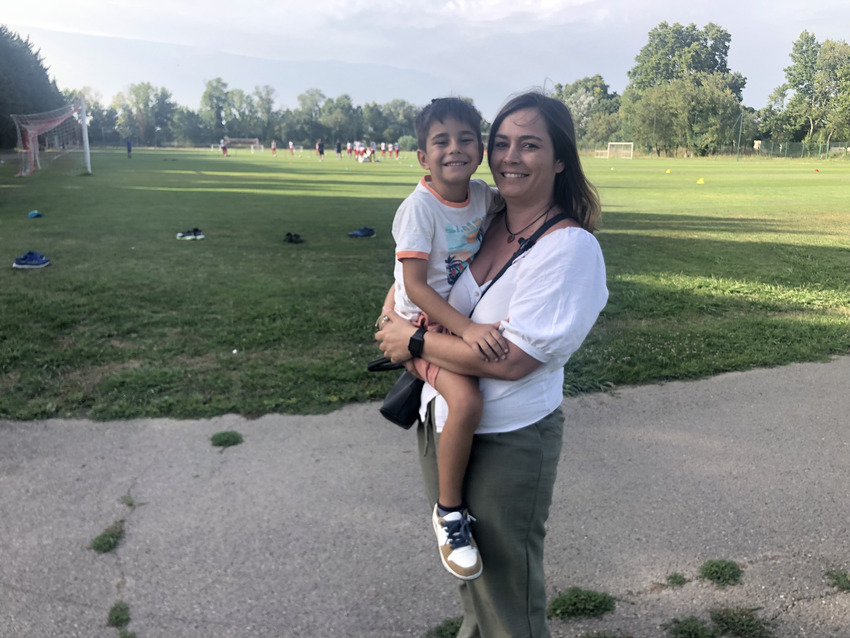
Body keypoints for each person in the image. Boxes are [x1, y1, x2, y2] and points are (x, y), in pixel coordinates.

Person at [375, 91, 608, 637]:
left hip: (508, 440)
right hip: (446, 420)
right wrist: (395, 316)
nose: (509, 156)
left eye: (529, 145)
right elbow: (417, 281)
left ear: (559, 159)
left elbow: (512, 363)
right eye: (502, 143)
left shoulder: (568, 248)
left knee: (507, 600)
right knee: (476, 589)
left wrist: (410, 344)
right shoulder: (487, 219)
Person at [384, 97, 508, 582]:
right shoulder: (418, 209)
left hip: (447, 319)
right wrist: (467, 328)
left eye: (464, 139)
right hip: (420, 328)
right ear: (422, 157)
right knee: (467, 402)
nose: (454, 149)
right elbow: (413, 284)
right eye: (441, 141)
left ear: (479, 150)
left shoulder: (482, 197)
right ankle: (449, 512)